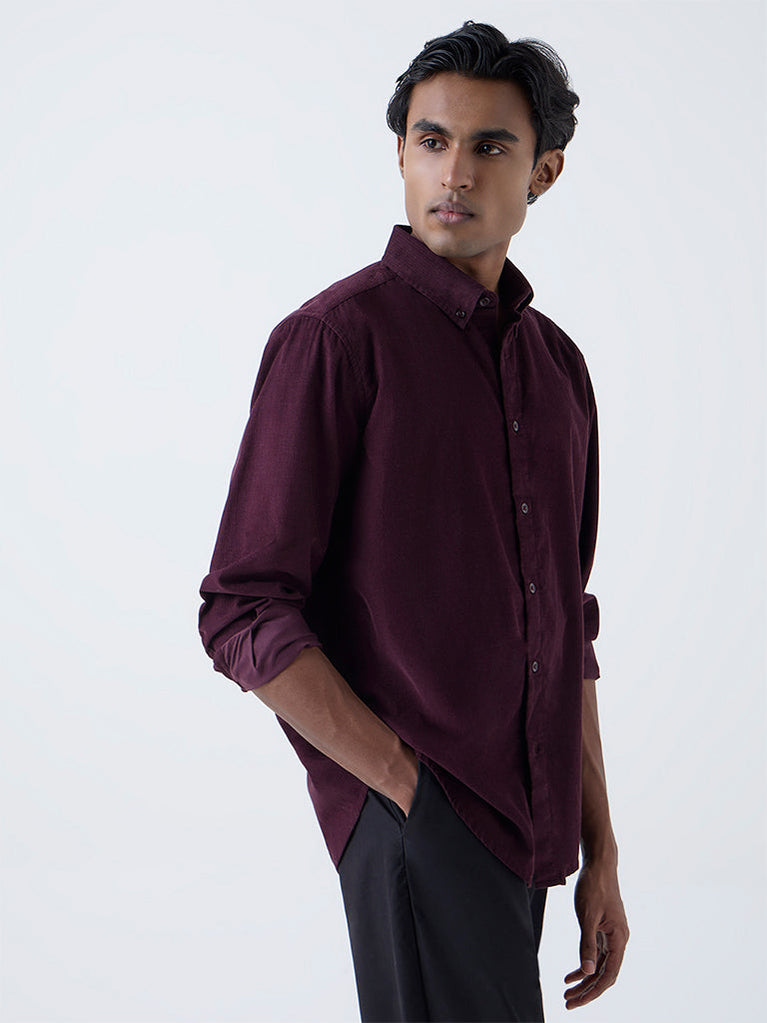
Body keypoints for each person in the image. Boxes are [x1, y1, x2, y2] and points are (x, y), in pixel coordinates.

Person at [198, 19, 629, 1022]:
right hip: (419, 816)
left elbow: (564, 619)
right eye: (431, 140)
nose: (455, 173)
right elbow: (242, 610)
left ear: (544, 172)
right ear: (399, 152)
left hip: (530, 826)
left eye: (490, 146)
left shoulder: (557, 369)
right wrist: (402, 787)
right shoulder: (333, 342)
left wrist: (600, 846)